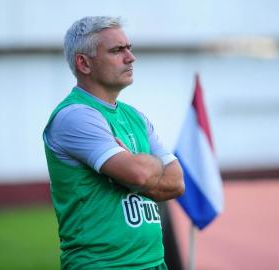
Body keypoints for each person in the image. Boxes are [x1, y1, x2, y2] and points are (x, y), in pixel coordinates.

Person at [43, 16, 184, 270]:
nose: (131, 58)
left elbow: (176, 182)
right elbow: (139, 174)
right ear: (84, 63)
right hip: (104, 265)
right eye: (117, 50)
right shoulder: (75, 115)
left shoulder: (135, 116)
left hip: (153, 262)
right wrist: (140, 168)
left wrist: (133, 165)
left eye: (129, 48)